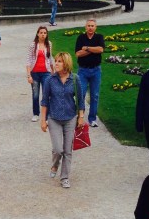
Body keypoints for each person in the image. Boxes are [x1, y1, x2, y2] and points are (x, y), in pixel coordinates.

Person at [40, 51, 85, 189]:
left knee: (67, 150)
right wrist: (43, 120)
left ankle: (64, 177)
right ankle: (55, 165)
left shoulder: (75, 79)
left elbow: (81, 100)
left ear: (66, 63)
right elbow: (44, 101)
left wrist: (81, 117)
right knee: (58, 149)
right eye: (56, 61)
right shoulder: (50, 80)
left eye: (59, 61)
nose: (56, 63)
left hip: (70, 118)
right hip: (54, 118)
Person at [75, 17, 104, 127]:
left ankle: (92, 119)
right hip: (83, 70)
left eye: (92, 26)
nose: (90, 27)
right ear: (85, 27)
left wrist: (86, 48)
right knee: (80, 94)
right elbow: (78, 54)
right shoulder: (81, 38)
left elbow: (101, 50)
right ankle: (79, 117)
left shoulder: (99, 37)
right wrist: (93, 50)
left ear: (95, 27)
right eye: (89, 26)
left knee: (95, 95)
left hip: (96, 70)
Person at [26, 25, 55, 122]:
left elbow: (50, 58)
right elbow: (29, 60)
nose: (43, 35)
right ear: (38, 34)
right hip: (35, 73)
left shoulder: (49, 44)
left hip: (46, 72)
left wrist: (53, 71)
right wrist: (29, 75)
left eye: (45, 33)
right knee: (35, 94)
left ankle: (47, 115)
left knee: (46, 94)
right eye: (41, 33)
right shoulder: (33, 45)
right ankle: (35, 113)